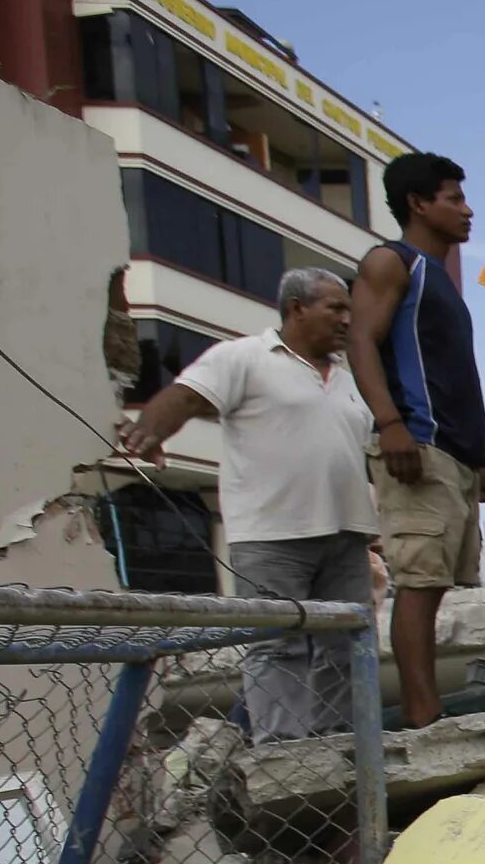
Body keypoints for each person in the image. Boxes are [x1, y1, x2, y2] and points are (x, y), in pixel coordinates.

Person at [124, 271, 377, 740]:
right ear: (297, 308)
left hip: (345, 536)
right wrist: (151, 432)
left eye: (349, 310)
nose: (347, 319)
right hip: (271, 536)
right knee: (276, 645)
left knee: (344, 644)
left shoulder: (348, 378)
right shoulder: (244, 357)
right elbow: (184, 396)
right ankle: (284, 754)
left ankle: (343, 748)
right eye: (335, 308)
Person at [346, 151, 485, 727]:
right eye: (453, 198)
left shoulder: (445, 286)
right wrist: (391, 424)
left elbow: (454, 375)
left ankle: (427, 714)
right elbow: (362, 341)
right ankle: (422, 720)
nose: (466, 209)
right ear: (418, 203)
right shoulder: (392, 263)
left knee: (438, 587)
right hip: (416, 446)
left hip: (453, 455)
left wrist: (479, 459)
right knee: (417, 584)